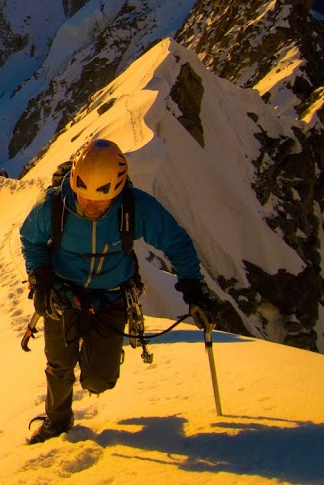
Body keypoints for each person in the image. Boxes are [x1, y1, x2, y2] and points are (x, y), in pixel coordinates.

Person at [19, 138, 219, 444]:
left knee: (100, 380)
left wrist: (193, 288)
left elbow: (176, 243)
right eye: (84, 197)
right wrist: (42, 281)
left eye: (101, 202)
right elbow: (30, 239)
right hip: (62, 291)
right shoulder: (54, 207)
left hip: (111, 294)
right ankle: (57, 421)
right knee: (59, 364)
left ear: (118, 190)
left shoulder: (133, 208)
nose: (91, 206)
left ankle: (93, 363)